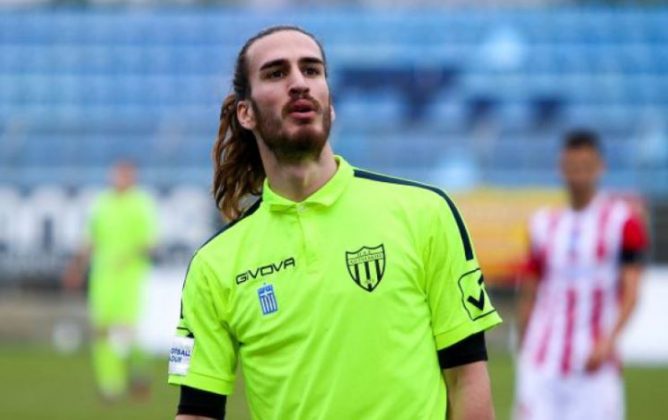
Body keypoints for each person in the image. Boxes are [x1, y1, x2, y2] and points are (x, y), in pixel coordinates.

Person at [168, 25, 502, 420]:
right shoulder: (213, 266)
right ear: (246, 113)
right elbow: (197, 412)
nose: (299, 83)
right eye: (276, 73)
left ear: (330, 102)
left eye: (311, 70)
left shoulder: (426, 212)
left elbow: (467, 378)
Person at [514, 130, 649, 420]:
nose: (578, 175)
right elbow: (530, 289)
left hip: (594, 364)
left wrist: (609, 340)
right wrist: (523, 342)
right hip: (543, 360)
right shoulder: (543, 223)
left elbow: (632, 290)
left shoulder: (622, 222)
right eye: (572, 166)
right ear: (561, 168)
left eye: (586, 166)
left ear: (601, 167)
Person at [63, 160, 157, 401]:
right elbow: (90, 239)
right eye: (118, 174)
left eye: (126, 175)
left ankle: (139, 371)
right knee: (101, 331)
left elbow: (150, 243)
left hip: (130, 278)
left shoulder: (142, 204)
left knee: (126, 331)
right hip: (103, 278)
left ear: (133, 177)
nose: (121, 179)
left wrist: (128, 257)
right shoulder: (102, 203)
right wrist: (77, 267)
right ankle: (110, 385)